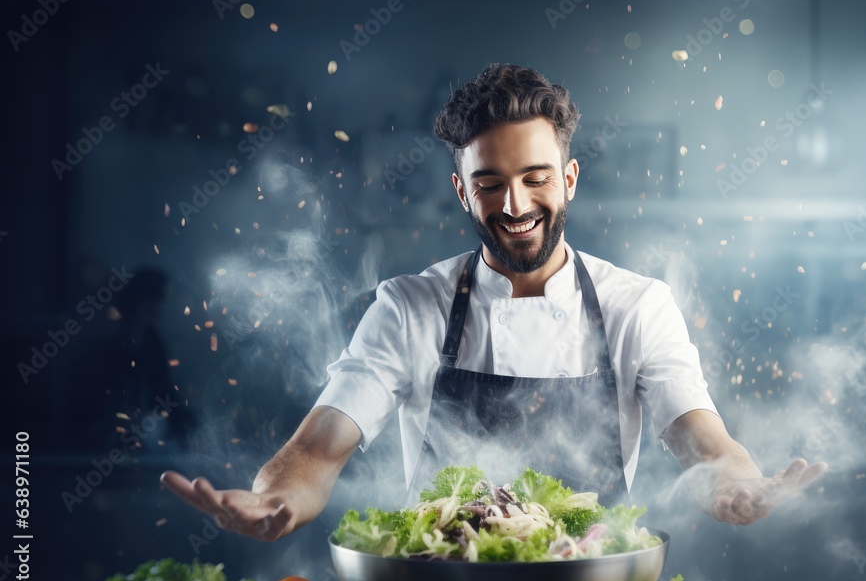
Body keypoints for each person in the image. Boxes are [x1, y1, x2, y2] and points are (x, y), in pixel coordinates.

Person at [162, 63, 826, 541]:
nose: (514, 206)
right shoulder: (407, 308)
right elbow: (316, 452)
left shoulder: (639, 306)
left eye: (536, 179)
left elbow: (703, 441)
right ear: (461, 191)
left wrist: (738, 482)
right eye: (490, 183)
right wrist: (270, 496)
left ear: (568, 180)